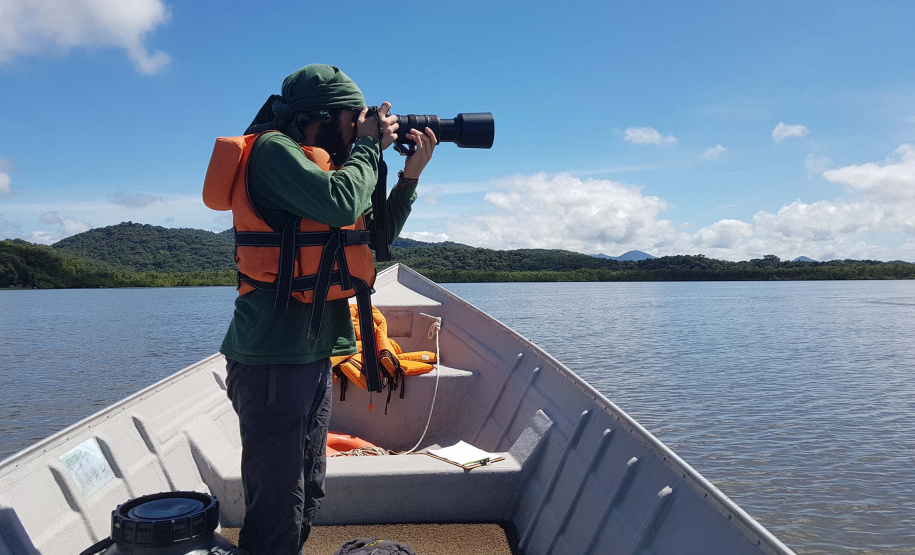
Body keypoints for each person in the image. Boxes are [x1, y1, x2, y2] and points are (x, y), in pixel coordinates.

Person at [217, 64, 436, 555]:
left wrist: (407, 178)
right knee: (277, 507)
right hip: (272, 359)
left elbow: (374, 239)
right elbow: (340, 206)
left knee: (308, 492)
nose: (364, 124)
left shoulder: (326, 166)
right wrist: (366, 147)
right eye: (353, 116)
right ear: (321, 116)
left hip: (312, 356)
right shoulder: (272, 151)